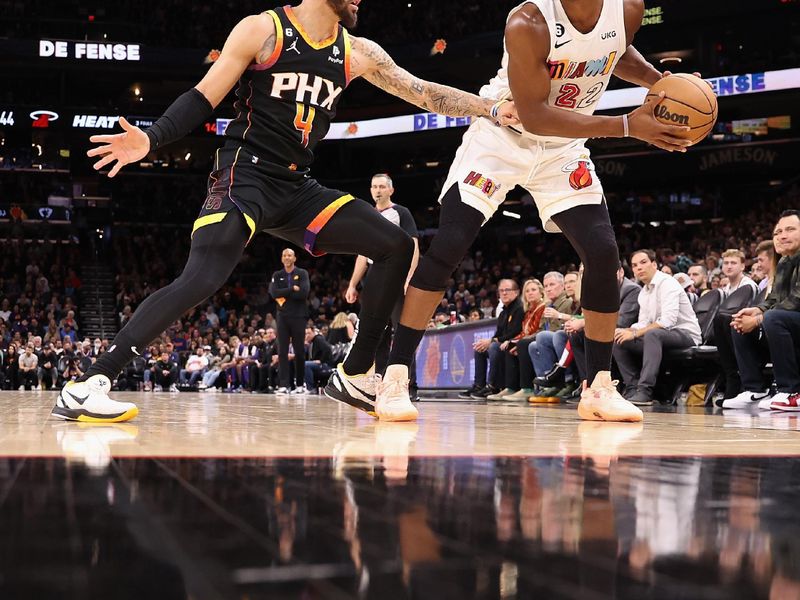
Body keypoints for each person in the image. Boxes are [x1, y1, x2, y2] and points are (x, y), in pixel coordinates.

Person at [54, 0, 517, 422]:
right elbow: (203, 97)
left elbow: (424, 94)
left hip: (296, 186)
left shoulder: (357, 52)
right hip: (245, 172)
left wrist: (491, 109)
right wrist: (151, 139)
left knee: (396, 244)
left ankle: (355, 373)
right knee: (202, 277)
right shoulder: (263, 30)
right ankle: (90, 382)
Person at [370, 0, 690, 422]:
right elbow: (537, 116)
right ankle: (394, 377)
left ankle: (598, 387)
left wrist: (659, 81)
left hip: (563, 147)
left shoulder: (628, 8)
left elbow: (614, 52)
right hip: (505, 135)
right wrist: (629, 125)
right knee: (448, 246)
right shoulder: (529, 21)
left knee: (602, 252)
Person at [342, 173, 421, 398]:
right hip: (373, 279)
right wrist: (352, 284)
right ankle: (381, 387)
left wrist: (408, 278)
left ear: (390, 191)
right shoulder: (367, 215)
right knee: (377, 334)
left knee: (402, 333)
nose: (377, 190)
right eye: (374, 186)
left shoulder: (401, 213)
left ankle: (408, 386)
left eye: (382, 187)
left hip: (396, 276)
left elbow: (414, 246)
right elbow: (361, 253)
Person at [728, 210, 800, 411]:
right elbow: (774, 299)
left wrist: (760, 318)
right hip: (792, 322)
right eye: (778, 232)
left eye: (790, 229)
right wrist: (756, 310)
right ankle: (754, 389)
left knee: (773, 319)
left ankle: (792, 391)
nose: (782, 236)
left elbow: (796, 300)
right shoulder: (786, 262)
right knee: (739, 320)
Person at [613, 249, 702, 406]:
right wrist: (627, 331)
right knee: (618, 338)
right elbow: (643, 322)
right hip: (660, 336)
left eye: (643, 262)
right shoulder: (644, 291)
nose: (639, 268)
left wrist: (635, 334)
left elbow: (667, 321)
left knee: (653, 334)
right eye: (634, 265)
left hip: (686, 335)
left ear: (654, 264)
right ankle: (633, 387)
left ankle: (645, 390)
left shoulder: (668, 283)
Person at [269, 249, 309, 394]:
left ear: (294, 258)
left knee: (299, 351)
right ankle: (284, 385)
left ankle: (299, 385)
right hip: (282, 316)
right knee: (282, 351)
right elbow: (274, 293)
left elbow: (304, 293)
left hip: (299, 316)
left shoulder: (302, 273)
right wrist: (292, 289)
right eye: (284, 255)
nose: (287, 257)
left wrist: (284, 292)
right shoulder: (277, 275)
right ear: (281, 258)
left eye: (289, 255)